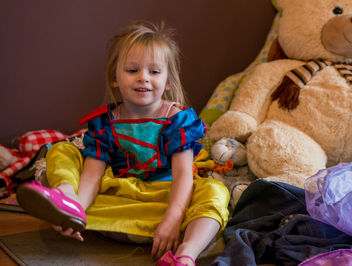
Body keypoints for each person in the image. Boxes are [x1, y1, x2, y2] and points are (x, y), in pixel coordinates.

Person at [16, 21, 230, 266]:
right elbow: (92, 177)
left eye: (154, 72)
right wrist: (81, 207)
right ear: (114, 78)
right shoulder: (105, 123)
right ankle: (70, 205)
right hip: (118, 195)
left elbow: (183, 176)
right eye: (132, 70)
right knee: (62, 149)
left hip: (165, 201)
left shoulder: (178, 120)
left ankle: (185, 253)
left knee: (215, 191)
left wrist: (172, 219)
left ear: (168, 81)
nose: (143, 78)